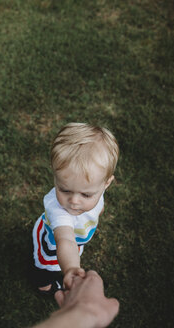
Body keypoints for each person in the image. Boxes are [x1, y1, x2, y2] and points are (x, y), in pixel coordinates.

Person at [30, 123, 119, 294]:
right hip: (52, 246)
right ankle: (44, 287)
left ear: (106, 184)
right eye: (65, 190)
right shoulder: (57, 210)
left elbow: (99, 206)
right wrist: (71, 269)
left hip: (75, 242)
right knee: (44, 269)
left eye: (85, 195)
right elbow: (66, 241)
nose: (74, 202)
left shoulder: (96, 190)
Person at [33, 270, 119, 328]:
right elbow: (66, 242)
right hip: (47, 257)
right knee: (44, 271)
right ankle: (45, 287)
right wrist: (71, 267)